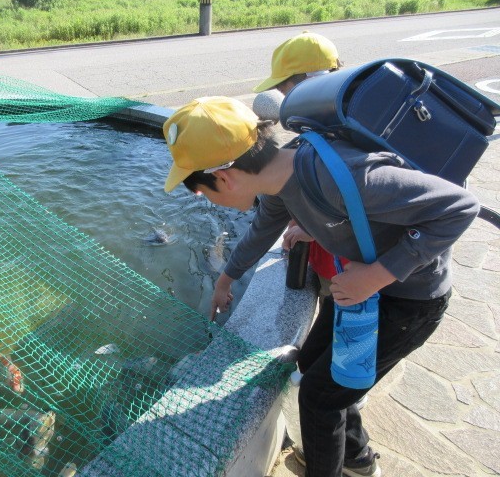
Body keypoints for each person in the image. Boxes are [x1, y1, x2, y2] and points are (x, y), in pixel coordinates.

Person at [161, 96, 479, 477]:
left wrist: (376, 275)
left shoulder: (338, 176)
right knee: (314, 365)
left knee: (319, 397)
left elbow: (459, 208)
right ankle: (355, 458)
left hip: (409, 301)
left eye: (204, 193)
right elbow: (262, 230)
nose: (212, 202)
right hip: (365, 291)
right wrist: (225, 280)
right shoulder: (280, 179)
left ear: (225, 178)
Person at [253, 30, 344, 306]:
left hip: (350, 271)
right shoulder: (322, 122)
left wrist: (314, 230)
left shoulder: (345, 132)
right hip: (328, 257)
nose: (285, 101)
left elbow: (363, 206)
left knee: (337, 316)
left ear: (312, 81)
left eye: (285, 91)